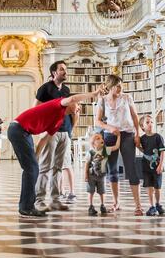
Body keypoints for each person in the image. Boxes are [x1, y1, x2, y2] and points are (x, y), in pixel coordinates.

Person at [8, 86, 107, 219]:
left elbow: (43, 140)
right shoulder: (59, 104)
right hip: (18, 129)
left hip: (25, 133)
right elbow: (72, 98)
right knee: (31, 169)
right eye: (77, 104)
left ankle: (27, 206)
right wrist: (94, 94)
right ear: (70, 102)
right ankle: (26, 207)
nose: (78, 107)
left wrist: (35, 157)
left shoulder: (59, 120)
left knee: (33, 168)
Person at [94, 74, 144, 215]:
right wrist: (109, 128)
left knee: (131, 168)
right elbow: (98, 121)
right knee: (112, 169)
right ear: (110, 86)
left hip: (128, 135)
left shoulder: (127, 98)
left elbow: (135, 116)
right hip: (110, 136)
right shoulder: (102, 101)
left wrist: (137, 134)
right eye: (117, 85)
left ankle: (138, 205)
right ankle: (116, 202)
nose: (120, 87)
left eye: (121, 85)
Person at [33, 60, 74, 212]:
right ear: (54, 73)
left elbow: (67, 111)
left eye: (65, 69)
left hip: (65, 132)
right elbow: (35, 110)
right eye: (62, 69)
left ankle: (56, 200)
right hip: (50, 132)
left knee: (58, 167)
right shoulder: (45, 88)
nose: (65, 71)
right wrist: (42, 130)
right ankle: (40, 200)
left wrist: (70, 130)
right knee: (45, 167)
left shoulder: (66, 90)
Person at [86, 131, 119, 216]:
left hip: (101, 176)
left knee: (102, 191)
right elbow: (86, 164)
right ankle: (91, 206)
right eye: (98, 138)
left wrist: (119, 136)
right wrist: (85, 175)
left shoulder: (106, 151)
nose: (101, 139)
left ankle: (102, 205)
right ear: (93, 143)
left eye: (101, 138)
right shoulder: (90, 152)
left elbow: (116, 147)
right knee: (91, 191)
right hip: (91, 176)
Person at [139, 115, 165, 216]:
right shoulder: (142, 138)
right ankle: (152, 206)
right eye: (147, 122)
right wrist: (138, 147)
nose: (150, 124)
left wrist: (161, 165)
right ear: (142, 127)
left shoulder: (158, 137)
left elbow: (162, 152)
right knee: (149, 187)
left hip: (157, 166)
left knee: (157, 187)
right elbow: (144, 150)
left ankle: (158, 204)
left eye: (151, 122)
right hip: (146, 166)